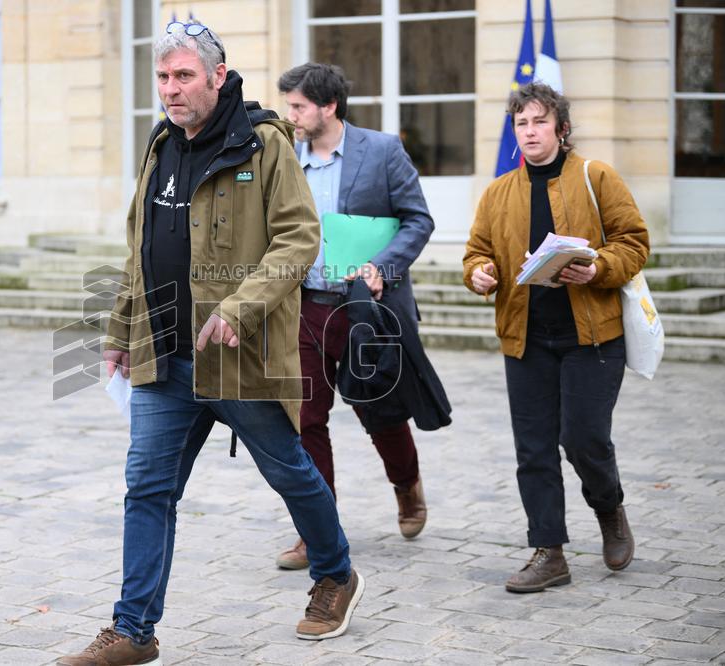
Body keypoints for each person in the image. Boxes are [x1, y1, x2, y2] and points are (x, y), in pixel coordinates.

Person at [57, 23, 364, 666]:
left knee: (289, 472)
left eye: (184, 77)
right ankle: (133, 631)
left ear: (217, 77)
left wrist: (239, 308)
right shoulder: (160, 142)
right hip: (162, 357)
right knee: (147, 488)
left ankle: (335, 574)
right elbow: (139, 248)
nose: (170, 90)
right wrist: (117, 331)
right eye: (163, 78)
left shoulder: (264, 143)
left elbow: (298, 240)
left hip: (236, 357)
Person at [463, 82, 648, 593]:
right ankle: (549, 552)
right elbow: (477, 252)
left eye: (539, 122)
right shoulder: (500, 191)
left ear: (561, 130)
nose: (529, 131)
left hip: (592, 336)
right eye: (521, 123)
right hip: (526, 339)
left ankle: (609, 508)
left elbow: (634, 242)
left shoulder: (597, 177)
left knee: (583, 439)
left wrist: (598, 268)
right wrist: (479, 273)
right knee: (535, 449)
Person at [273, 63, 436, 571]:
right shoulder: (282, 155)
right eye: (288, 106)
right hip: (303, 307)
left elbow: (418, 219)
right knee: (305, 419)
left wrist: (383, 265)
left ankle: (406, 485)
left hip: (366, 309)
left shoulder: (383, 151)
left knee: (381, 413)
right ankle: (317, 530)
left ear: (329, 107)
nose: (290, 116)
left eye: (298, 107)